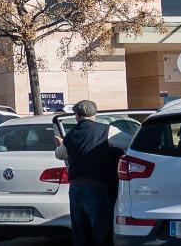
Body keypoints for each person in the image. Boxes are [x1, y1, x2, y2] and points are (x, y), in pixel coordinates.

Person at [55, 100, 132, 246]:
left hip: (75, 190)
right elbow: (131, 144)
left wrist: (61, 143)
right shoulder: (107, 130)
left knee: (81, 235)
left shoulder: (71, 135)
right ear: (94, 115)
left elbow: (59, 154)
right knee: (102, 233)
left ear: (77, 116)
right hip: (98, 189)